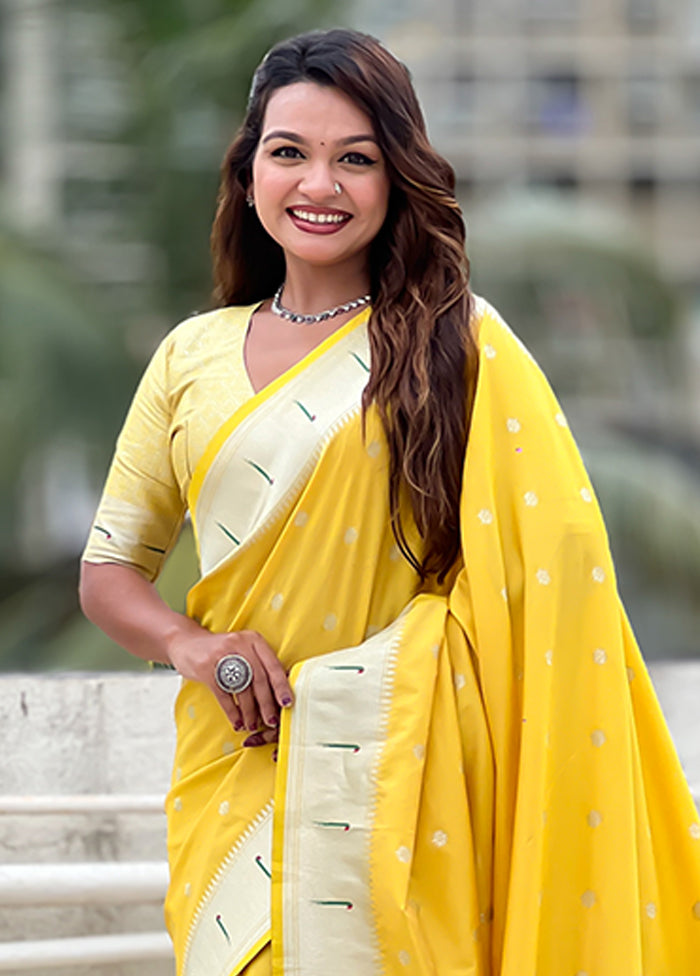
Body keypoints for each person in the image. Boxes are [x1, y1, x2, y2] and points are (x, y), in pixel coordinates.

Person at [79, 27, 700, 976]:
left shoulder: (462, 349)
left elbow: (553, 586)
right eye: (289, 153)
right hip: (233, 771)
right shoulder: (189, 357)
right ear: (249, 175)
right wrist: (196, 648)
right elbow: (110, 572)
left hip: (410, 793)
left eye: (354, 160)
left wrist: (371, 687)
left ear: (395, 178)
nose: (318, 185)